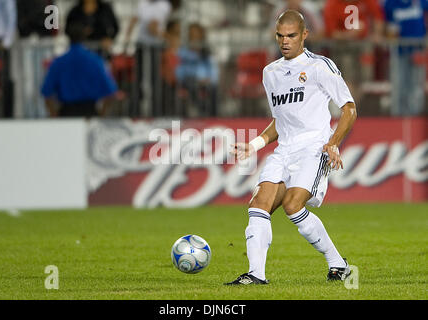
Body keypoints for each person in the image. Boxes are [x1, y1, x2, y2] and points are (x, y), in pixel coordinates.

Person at [225, 10, 357, 285]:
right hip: (284, 150)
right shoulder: (270, 73)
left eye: (292, 35)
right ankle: (256, 274)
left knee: (293, 204)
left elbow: (349, 109)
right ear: (275, 36)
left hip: (314, 148)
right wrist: (255, 143)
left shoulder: (321, 66)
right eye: (281, 36)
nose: (285, 41)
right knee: (259, 204)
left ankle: (337, 263)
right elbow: (279, 120)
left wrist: (332, 143)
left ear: (304, 35)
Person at [41, 22, 118, 118]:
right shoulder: (95, 61)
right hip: (89, 112)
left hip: (66, 113)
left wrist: (54, 114)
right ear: (84, 36)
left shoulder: (58, 62)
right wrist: (102, 114)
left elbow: (46, 92)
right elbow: (111, 92)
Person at [383, 0, 428, 116]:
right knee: (399, 85)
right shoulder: (390, 3)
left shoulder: (420, 2)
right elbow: (386, 25)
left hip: (418, 51)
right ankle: (398, 116)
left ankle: (415, 115)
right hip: (398, 52)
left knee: (416, 85)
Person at [175, 23, 219, 116]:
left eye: (197, 34)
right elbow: (179, 69)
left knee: (213, 88)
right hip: (187, 80)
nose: (195, 37)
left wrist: (209, 79)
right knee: (192, 85)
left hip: (204, 81)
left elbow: (213, 70)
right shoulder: (183, 51)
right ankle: (197, 113)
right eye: (192, 34)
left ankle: (212, 117)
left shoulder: (206, 52)